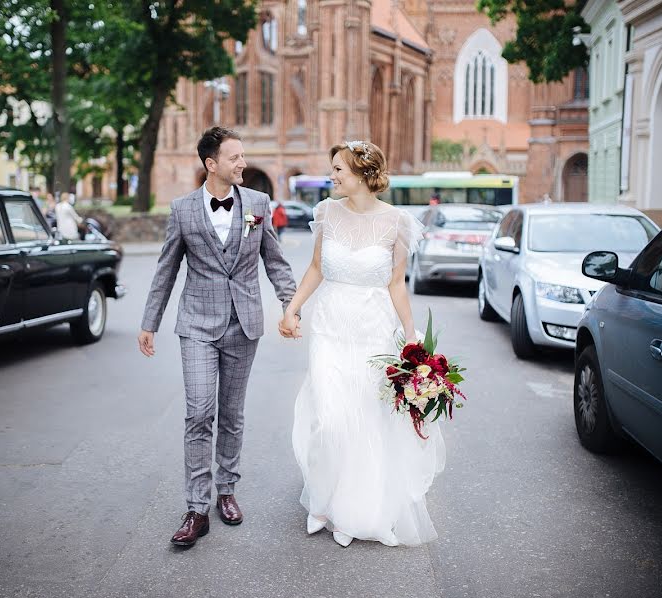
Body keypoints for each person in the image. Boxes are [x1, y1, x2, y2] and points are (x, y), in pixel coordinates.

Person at [279, 140, 445, 548]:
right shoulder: (326, 212)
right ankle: (322, 498)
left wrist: (411, 337)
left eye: (338, 169)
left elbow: (397, 286)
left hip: (373, 330)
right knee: (329, 417)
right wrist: (292, 310)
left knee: (366, 419)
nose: (331, 176)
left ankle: (355, 510)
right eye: (332, 168)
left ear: (363, 174)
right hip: (331, 326)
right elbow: (317, 267)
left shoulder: (397, 224)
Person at [138, 126, 298, 547]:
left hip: (244, 323)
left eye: (243, 156)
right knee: (198, 412)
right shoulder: (183, 210)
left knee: (231, 412)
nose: (242, 163)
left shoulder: (259, 203)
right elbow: (166, 269)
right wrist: (149, 321)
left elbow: (276, 262)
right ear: (212, 164)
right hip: (196, 325)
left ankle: (226, 490)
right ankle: (196, 506)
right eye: (234, 157)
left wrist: (290, 305)